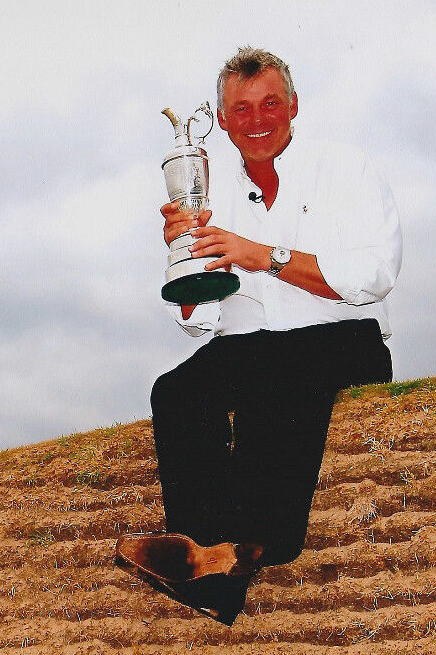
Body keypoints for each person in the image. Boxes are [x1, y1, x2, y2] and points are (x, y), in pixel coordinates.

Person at [115, 47, 403, 625]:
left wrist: (261, 255)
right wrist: (186, 259)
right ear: (222, 120)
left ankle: (260, 541)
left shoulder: (350, 167)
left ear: (294, 105)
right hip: (249, 345)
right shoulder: (208, 187)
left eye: (270, 103)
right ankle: (211, 562)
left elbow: (374, 277)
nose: (257, 120)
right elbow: (200, 319)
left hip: (340, 332)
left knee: (276, 373)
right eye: (241, 110)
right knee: (176, 390)